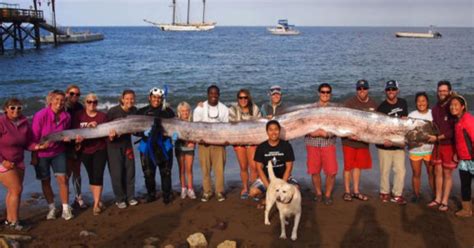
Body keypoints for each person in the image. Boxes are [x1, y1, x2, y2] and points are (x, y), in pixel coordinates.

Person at [0, 98, 48, 230]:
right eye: (12, 108)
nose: (16, 110)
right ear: (6, 109)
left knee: (14, 191)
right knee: (16, 189)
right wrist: (3, 161)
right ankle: (15, 223)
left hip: (18, 162)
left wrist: (38, 147)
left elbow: (28, 143)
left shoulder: (24, 122)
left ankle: (10, 221)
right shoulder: (1, 122)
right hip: (3, 162)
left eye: (19, 108)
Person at [31, 90, 76, 220]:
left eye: (62, 100)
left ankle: (66, 209)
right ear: (50, 100)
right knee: (46, 181)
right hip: (41, 153)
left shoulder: (66, 116)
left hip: (58, 152)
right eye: (56, 99)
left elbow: (64, 134)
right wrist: (34, 155)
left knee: (63, 179)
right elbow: (34, 137)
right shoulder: (40, 115)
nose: (59, 102)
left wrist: (67, 139)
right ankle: (52, 208)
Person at [341, 79, 378, 202]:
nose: (362, 91)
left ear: (368, 89)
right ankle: (347, 191)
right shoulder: (349, 103)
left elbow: (376, 124)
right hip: (349, 140)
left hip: (363, 141)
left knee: (358, 166)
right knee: (348, 167)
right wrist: (349, 135)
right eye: (359, 89)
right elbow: (342, 121)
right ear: (356, 90)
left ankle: (356, 191)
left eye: (364, 88)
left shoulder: (373, 104)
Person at [137, 87, 175, 204]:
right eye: (154, 97)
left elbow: (175, 127)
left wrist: (175, 135)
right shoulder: (142, 112)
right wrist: (141, 133)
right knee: (148, 173)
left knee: (166, 172)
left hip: (164, 145)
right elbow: (133, 129)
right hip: (146, 146)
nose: (156, 100)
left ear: (162, 99)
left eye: (159, 98)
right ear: (149, 97)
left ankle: (166, 195)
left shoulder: (168, 112)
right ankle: (151, 194)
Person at [73, 93, 108, 215]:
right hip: (85, 150)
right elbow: (74, 132)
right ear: (84, 103)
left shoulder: (102, 116)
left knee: (98, 175)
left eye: (94, 102)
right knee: (92, 176)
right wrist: (78, 138)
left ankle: (96, 204)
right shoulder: (79, 116)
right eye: (89, 101)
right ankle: (97, 199)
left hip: (100, 149)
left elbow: (106, 134)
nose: (92, 104)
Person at [193, 85, 229, 202]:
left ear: (219, 95)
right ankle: (207, 191)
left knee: (219, 170)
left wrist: (226, 140)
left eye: (216, 93)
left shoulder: (224, 109)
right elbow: (196, 127)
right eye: (211, 93)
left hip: (219, 144)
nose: (214, 96)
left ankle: (219, 191)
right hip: (204, 144)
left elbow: (226, 127)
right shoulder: (199, 108)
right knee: (205, 170)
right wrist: (200, 139)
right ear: (207, 94)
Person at [249, 120, 297, 207]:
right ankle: (266, 198)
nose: (273, 132)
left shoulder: (286, 146)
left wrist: (282, 185)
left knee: (296, 190)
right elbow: (259, 168)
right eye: (270, 130)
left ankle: (273, 200)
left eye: (276, 129)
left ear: (279, 131)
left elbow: (289, 167)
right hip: (267, 179)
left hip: (283, 178)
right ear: (267, 132)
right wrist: (269, 187)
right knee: (253, 192)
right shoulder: (261, 147)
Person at [376, 80, 409, 205]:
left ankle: (397, 194)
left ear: (397, 90)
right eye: (389, 89)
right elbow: (378, 127)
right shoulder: (381, 107)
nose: (391, 91)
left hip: (399, 144)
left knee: (400, 170)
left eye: (393, 89)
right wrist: (384, 140)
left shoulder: (403, 102)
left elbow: (404, 123)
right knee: (385, 170)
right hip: (384, 144)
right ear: (385, 92)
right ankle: (384, 192)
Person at [305, 83, 338, 205]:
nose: (325, 94)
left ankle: (328, 194)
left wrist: (327, 134)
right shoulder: (310, 108)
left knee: (332, 172)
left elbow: (338, 126)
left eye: (327, 92)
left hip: (328, 143)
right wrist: (311, 132)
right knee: (314, 171)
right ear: (319, 93)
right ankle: (318, 193)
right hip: (312, 142)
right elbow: (303, 123)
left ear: (330, 94)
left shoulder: (335, 110)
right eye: (323, 92)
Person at [426, 81, 456, 212]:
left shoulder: (453, 106)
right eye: (440, 90)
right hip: (438, 145)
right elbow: (435, 127)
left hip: (449, 145)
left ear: (450, 91)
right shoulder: (435, 108)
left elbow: (452, 131)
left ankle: (445, 201)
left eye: (444, 90)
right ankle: (437, 198)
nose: (442, 93)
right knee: (437, 172)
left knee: (447, 173)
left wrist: (437, 138)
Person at [107, 89, 138, 209]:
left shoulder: (134, 111)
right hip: (113, 145)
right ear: (122, 99)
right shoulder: (113, 112)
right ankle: (119, 199)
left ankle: (130, 197)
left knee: (130, 171)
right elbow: (104, 129)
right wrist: (110, 137)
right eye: (127, 98)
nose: (130, 101)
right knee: (117, 173)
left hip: (127, 144)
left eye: (132, 98)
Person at [229, 89, 261, 199]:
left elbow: (259, 124)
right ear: (238, 99)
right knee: (243, 166)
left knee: (254, 167)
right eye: (241, 98)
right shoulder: (233, 109)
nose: (243, 100)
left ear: (249, 98)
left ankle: (254, 188)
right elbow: (231, 125)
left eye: (245, 97)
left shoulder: (255, 108)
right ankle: (245, 188)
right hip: (239, 141)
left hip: (252, 141)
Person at [407, 92, 434, 203]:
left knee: (432, 173)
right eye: (418, 101)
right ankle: (416, 194)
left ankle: (436, 194)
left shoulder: (433, 114)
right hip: (415, 150)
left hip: (430, 150)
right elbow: (407, 133)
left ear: (427, 102)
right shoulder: (411, 115)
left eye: (423, 100)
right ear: (416, 103)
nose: (421, 103)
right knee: (416, 174)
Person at [64, 84, 87, 209]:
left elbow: (82, 123)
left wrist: (79, 141)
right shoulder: (62, 106)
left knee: (77, 170)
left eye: (77, 94)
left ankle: (78, 197)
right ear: (67, 93)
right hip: (64, 142)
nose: (75, 96)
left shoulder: (79, 107)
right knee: (66, 172)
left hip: (76, 140)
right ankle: (65, 201)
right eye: (72, 93)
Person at [450, 95, 473, 217]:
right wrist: (456, 153)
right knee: (465, 184)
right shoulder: (457, 121)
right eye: (451, 105)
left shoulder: (468, 119)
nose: (453, 107)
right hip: (463, 160)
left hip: (472, 158)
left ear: (462, 107)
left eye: (456, 105)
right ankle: (467, 210)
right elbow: (460, 141)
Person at [175, 101, 196, 199]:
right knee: (181, 169)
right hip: (179, 146)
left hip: (189, 147)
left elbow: (196, 134)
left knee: (189, 169)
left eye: (187, 111)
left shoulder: (192, 122)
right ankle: (183, 188)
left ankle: (190, 189)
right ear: (179, 112)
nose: (185, 113)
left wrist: (193, 142)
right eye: (182, 111)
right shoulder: (176, 121)